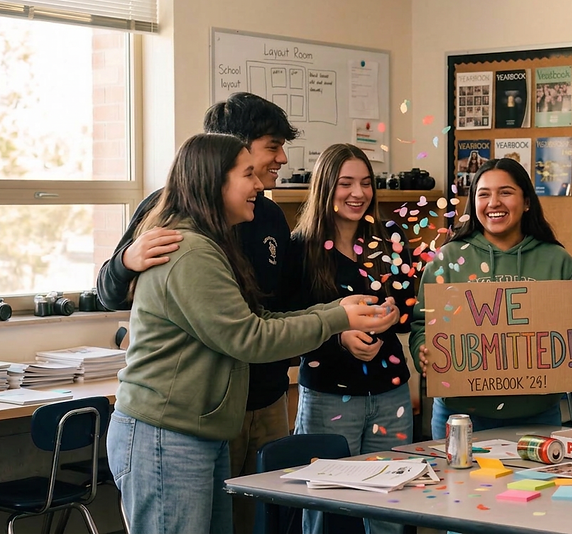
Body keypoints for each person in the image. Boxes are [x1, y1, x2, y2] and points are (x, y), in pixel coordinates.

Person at [106, 133, 400, 534]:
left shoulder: (214, 243)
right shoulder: (189, 252)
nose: (260, 184)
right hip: (167, 436)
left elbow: (260, 316)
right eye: (248, 174)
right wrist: (336, 319)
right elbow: (250, 338)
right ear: (215, 181)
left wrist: (337, 311)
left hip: (195, 432)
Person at [95, 92, 300, 534]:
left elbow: (279, 304)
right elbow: (109, 292)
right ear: (231, 154)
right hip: (193, 411)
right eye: (271, 146)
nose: (282, 157)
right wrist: (125, 261)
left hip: (261, 397)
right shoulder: (172, 218)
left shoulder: (267, 214)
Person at [283, 143, 415, 534]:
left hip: (390, 393)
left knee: (390, 506)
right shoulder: (301, 248)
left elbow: (409, 311)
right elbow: (286, 326)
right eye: (345, 183)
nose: (358, 193)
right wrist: (339, 338)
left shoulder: (390, 238)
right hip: (328, 396)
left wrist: (394, 313)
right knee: (327, 507)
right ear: (325, 187)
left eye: (366, 183)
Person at [409, 157, 572, 439]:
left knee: (535, 485)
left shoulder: (557, 260)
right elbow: (422, 324)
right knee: (455, 485)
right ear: (473, 204)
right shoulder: (448, 259)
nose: (494, 202)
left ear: (527, 201)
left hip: (538, 414)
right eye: (484, 194)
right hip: (460, 416)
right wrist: (423, 348)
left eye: (505, 192)